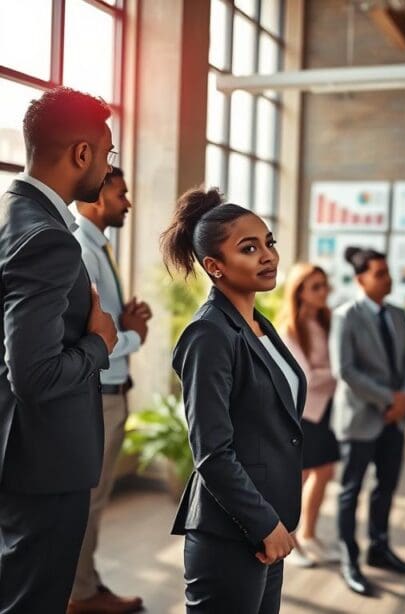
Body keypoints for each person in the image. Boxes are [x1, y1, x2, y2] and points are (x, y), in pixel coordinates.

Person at [0, 86, 118, 613]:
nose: (109, 164)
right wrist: (100, 343)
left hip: (18, 454)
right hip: (44, 466)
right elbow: (35, 374)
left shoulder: (9, 213)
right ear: (82, 153)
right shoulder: (47, 237)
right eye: (108, 151)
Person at [161, 187, 306, 613]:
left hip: (268, 525)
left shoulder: (258, 325)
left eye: (269, 243)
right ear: (214, 266)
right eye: (249, 248)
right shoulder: (209, 334)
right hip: (232, 531)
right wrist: (264, 524)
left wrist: (272, 523)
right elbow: (212, 451)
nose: (268, 256)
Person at [69, 166, 148, 614]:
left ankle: (84, 584)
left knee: (94, 501)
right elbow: (92, 338)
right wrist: (134, 334)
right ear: (99, 197)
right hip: (98, 393)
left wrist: (126, 317)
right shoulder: (83, 247)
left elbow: (104, 321)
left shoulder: (99, 245)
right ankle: (80, 595)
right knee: (90, 502)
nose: (128, 202)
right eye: (122, 193)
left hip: (110, 390)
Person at [329, 247, 405, 597]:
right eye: (380, 273)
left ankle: (379, 549)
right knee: (350, 491)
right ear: (361, 279)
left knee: (386, 486)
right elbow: (345, 370)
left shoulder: (397, 313)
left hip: (394, 419)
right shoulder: (346, 316)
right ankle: (349, 559)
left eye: (388, 271)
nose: (388, 278)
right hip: (361, 417)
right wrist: (390, 398)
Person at [278, 263, 341, 568]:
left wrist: (330, 374)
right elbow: (305, 378)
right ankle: (290, 542)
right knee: (297, 479)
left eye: (324, 285)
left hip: (327, 410)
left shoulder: (326, 322)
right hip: (303, 413)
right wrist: (339, 373)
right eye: (315, 286)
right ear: (299, 291)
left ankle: (310, 534)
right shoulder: (290, 329)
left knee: (326, 472)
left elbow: (323, 374)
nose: (323, 292)